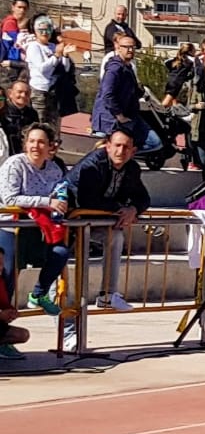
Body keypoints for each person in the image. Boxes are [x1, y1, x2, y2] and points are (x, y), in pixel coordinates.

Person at [66, 128, 151, 310]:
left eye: (126, 147)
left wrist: (133, 209)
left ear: (133, 151)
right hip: (70, 219)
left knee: (116, 236)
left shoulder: (132, 169)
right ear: (107, 146)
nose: (121, 151)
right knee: (57, 258)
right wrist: (121, 210)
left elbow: (143, 197)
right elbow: (87, 199)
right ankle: (53, 294)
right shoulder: (92, 165)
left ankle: (108, 294)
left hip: (98, 220)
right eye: (117, 145)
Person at [0, 122, 70, 315]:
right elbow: (10, 198)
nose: (35, 146)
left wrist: (60, 203)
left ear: (50, 146)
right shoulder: (14, 164)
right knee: (8, 275)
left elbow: (60, 194)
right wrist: (46, 201)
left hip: (41, 227)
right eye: (31, 141)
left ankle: (39, 293)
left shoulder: (55, 169)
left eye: (41, 142)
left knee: (60, 253)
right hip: (11, 226)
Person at [90, 31, 161, 157]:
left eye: (132, 47)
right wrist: (120, 116)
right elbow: (107, 94)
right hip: (114, 119)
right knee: (151, 142)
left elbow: (132, 91)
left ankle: (116, 154)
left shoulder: (128, 67)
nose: (130, 50)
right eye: (126, 47)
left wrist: (142, 92)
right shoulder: (114, 69)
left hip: (130, 115)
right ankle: (111, 154)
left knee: (154, 142)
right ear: (118, 47)